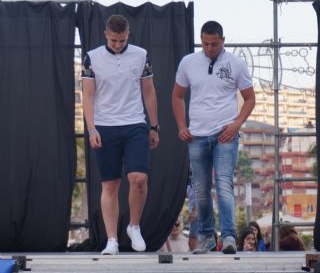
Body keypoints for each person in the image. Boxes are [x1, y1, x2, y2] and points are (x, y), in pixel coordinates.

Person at [172, 21, 255, 254]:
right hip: (196, 135)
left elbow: (249, 98)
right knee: (200, 189)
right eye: (205, 43)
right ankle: (207, 237)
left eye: (214, 44)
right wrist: (181, 126)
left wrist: (236, 124)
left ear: (223, 40)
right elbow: (177, 96)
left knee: (223, 185)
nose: (209, 48)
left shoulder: (236, 63)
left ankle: (228, 237)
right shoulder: (188, 62)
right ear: (201, 40)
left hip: (225, 134)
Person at [82, 14, 159, 255]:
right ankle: (112, 239)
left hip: (135, 122)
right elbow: (88, 95)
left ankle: (134, 226)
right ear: (106, 35)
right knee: (110, 184)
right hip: (105, 125)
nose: (118, 44)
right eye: (114, 40)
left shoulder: (141, 55)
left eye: (122, 40)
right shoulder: (92, 58)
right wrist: (92, 128)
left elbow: (149, 92)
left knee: (138, 179)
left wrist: (154, 126)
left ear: (128, 35)